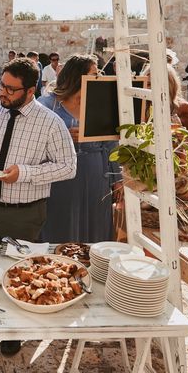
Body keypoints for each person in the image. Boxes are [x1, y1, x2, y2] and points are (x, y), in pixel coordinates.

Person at [0, 58, 76, 357]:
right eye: (2, 86)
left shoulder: (51, 122)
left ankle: (13, 332)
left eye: (11, 90)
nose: (3, 93)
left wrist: (23, 173)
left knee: (17, 273)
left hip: (26, 213)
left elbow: (68, 167)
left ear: (31, 90)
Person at [38, 54, 122, 243]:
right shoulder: (47, 105)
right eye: (94, 74)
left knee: (96, 222)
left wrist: (117, 180)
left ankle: (95, 268)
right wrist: (64, 134)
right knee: (62, 222)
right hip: (60, 176)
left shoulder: (102, 101)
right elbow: (34, 140)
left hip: (95, 173)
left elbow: (111, 143)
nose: (98, 78)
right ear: (77, 76)